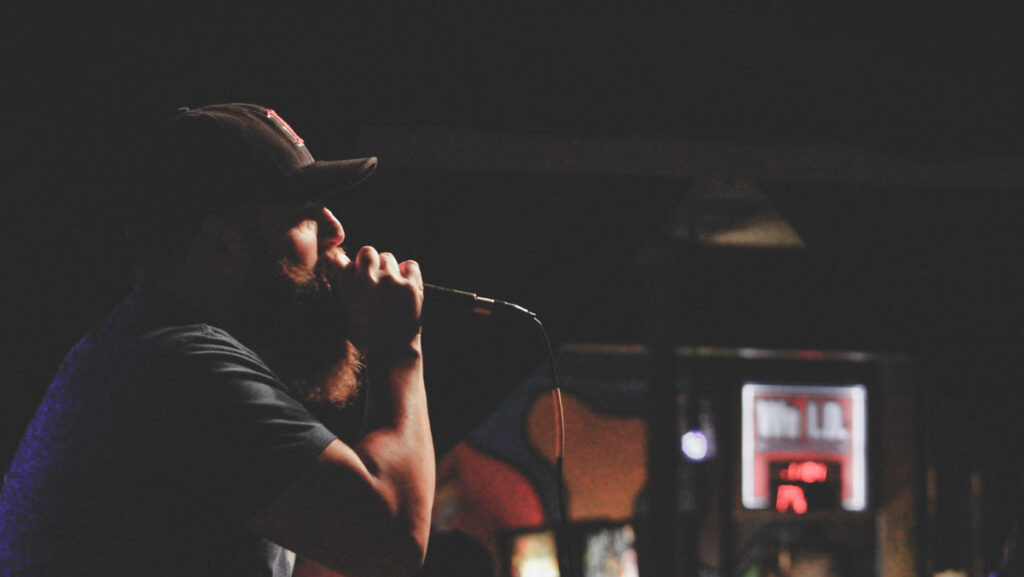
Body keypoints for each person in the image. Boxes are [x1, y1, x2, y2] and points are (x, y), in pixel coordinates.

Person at [0, 103, 435, 577]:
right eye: (305, 213)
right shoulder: (184, 368)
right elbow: (392, 542)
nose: (336, 231)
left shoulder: (138, 348)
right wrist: (398, 346)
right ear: (221, 244)